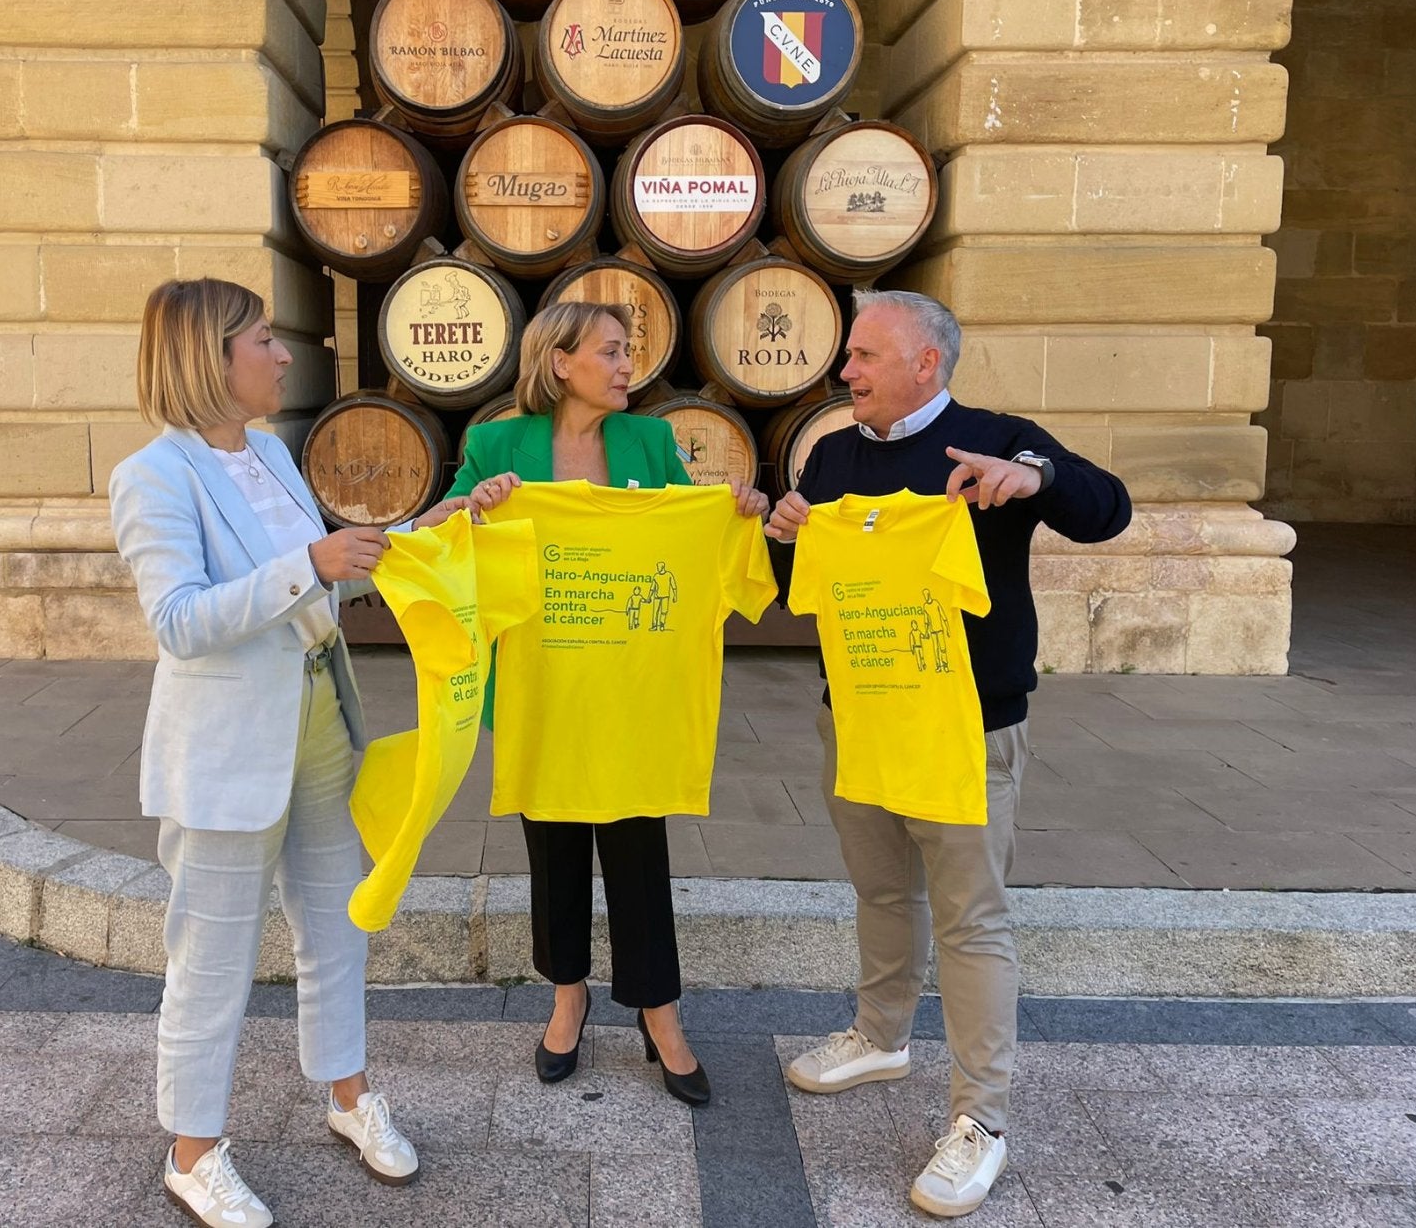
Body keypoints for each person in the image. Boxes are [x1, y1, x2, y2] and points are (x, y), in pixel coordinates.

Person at [764, 289, 1131, 1219]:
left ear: (926, 362)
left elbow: (1109, 509)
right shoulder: (832, 454)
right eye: (849, 358)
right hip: (858, 716)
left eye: (863, 357)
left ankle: (981, 1122)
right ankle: (881, 1034)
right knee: (881, 891)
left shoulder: (996, 438)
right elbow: (801, 589)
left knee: (971, 920)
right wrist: (780, 536)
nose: (845, 372)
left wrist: (1037, 479)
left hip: (969, 723)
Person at [109, 279, 467, 1227]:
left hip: (318, 720)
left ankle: (349, 1099)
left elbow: (321, 589)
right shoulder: (154, 474)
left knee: (336, 922)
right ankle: (193, 1153)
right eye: (263, 340)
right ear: (208, 358)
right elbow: (180, 623)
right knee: (211, 957)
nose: (282, 355)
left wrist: (421, 534)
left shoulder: (267, 453)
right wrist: (310, 563)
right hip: (227, 747)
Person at [449, 301, 768, 1105]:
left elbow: (686, 538)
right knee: (552, 849)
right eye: (614, 351)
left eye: (628, 352)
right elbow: (435, 534)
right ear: (560, 361)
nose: (630, 366)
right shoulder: (495, 444)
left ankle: (660, 1012)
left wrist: (736, 514)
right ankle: (567, 998)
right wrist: (474, 504)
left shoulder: (649, 442)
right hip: (542, 687)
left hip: (631, 688)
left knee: (638, 850)